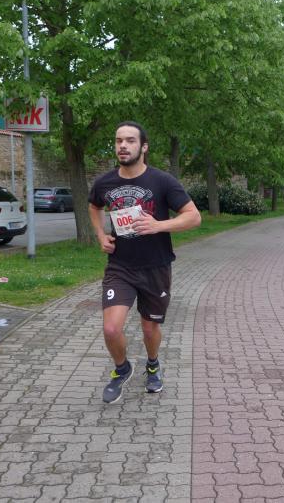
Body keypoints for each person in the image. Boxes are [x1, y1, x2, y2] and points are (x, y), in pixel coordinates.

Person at [88, 121, 201, 404]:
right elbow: (94, 205)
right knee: (111, 328)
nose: (123, 146)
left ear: (144, 147)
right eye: (118, 141)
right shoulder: (104, 183)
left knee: (149, 328)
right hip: (120, 266)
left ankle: (152, 364)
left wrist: (158, 225)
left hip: (155, 267)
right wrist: (100, 235)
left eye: (130, 140)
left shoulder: (162, 181)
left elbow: (194, 216)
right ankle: (122, 369)